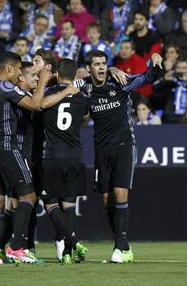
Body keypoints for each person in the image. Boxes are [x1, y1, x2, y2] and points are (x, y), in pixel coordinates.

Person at [79, 50, 162, 263]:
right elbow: (65, 84)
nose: (100, 67)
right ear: (89, 67)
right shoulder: (85, 87)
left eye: (104, 63)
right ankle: (123, 244)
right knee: (107, 200)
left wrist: (153, 59)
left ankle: (120, 246)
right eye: (96, 64)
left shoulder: (120, 81)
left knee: (120, 193)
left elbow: (148, 78)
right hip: (101, 150)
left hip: (124, 145)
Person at [0, 52, 48, 264]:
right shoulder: (5, 86)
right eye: (18, 70)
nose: (19, 75)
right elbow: (35, 105)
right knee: (29, 197)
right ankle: (16, 248)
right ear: (9, 69)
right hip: (7, 148)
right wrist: (43, 79)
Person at [40, 58, 89, 264]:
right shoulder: (82, 98)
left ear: (57, 74)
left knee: (50, 202)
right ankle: (67, 253)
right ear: (74, 76)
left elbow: (39, 105)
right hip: (75, 156)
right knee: (69, 204)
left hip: (53, 156)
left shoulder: (50, 94)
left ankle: (73, 241)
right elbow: (85, 117)